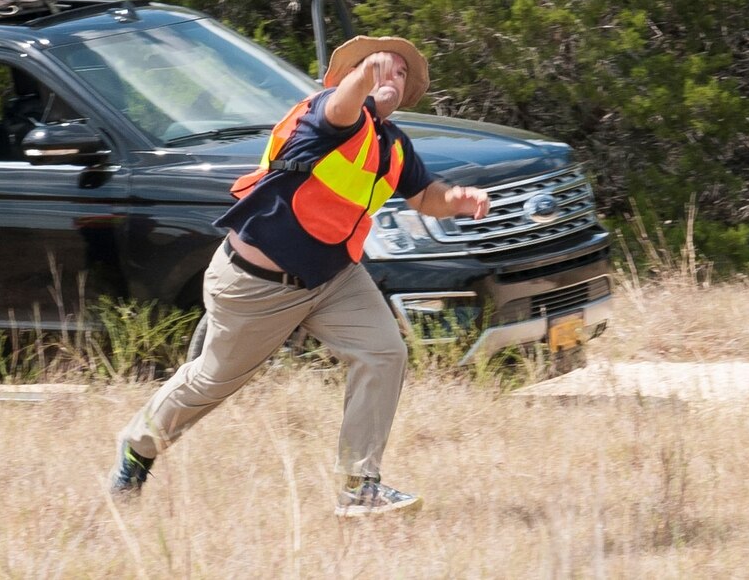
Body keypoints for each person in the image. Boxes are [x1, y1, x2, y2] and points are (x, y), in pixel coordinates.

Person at [109, 35, 489, 516]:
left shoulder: (393, 146)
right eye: (378, 67)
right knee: (210, 383)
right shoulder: (326, 114)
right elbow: (345, 102)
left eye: (398, 73)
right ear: (354, 76)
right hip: (256, 286)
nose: (389, 76)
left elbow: (425, 196)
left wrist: (455, 200)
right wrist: (365, 78)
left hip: (332, 280)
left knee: (384, 353)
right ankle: (137, 447)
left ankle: (359, 487)